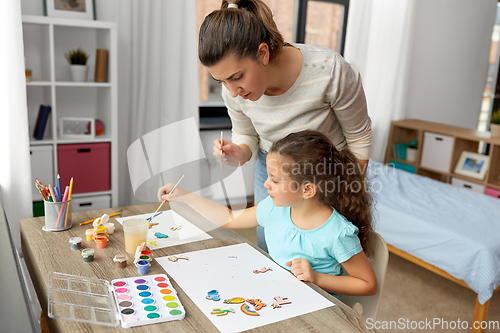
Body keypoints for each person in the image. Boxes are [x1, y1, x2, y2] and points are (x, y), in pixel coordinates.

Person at [198, 0, 372, 252]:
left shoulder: (330, 71)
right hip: (272, 165)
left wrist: (347, 189)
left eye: (237, 77)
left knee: (327, 250)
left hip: (327, 169)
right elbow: (246, 134)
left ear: (263, 53)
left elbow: (360, 137)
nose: (232, 91)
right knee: (272, 245)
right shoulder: (233, 91)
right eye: (221, 81)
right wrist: (241, 151)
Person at [158, 130, 377, 297]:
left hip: (316, 311)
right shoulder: (274, 209)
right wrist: (184, 195)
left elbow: (368, 284)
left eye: (275, 179)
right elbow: (229, 218)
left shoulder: (337, 232)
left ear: (307, 189)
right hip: (278, 295)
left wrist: (317, 277)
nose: (266, 184)